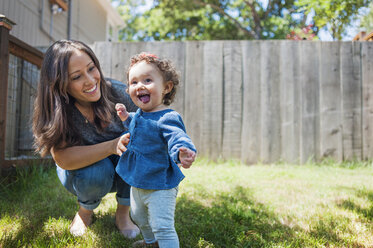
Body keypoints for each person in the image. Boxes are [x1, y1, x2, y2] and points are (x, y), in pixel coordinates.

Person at [32, 40, 140, 238]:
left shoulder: (120, 94)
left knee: (136, 151)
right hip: (81, 174)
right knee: (96, 171)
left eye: (91, 68)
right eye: (76, 77)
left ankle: (123, 214)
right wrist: (110, 146)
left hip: (122, 170)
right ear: (60, 84)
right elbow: (63, 159)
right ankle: (85, 212)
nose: (90, 80)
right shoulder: (59, 109)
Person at [115, 52, 197, 248]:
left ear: (166, 87)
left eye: (148, 80)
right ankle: (151, 243)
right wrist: (127, 117)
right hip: (139, 180)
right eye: (134, 82)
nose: (140, 85)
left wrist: (181, 150)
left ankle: (164, 241)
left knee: (163, 225)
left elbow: (177, 136)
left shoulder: (167, 117)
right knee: (138, 217)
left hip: (160, 183)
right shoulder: (141, 115)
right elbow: (136, 124)